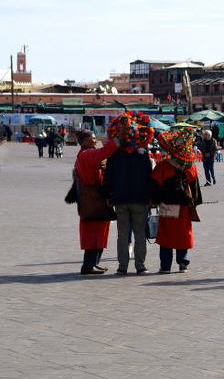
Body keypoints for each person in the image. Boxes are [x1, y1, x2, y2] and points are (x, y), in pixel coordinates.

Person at [103, 112, 154, 275]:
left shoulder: (115, 155)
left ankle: (122, 266)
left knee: (122, 233)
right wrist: (151, 197)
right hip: (140, 199)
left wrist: (108, 196)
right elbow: (149, 177)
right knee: (139, 232)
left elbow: (108, 177)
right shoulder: (143, 155)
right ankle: (140, 265)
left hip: (120, 199)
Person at [151, 127, 203, 273]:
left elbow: (155, 185)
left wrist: (154, 201)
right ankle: (183, 262)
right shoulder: (190, 167)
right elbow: (195, 189)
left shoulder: (163, 166)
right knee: (183, 234)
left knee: (166, 235)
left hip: (167, 204)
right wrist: (195, 204)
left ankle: (165, 265)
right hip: (185, 206)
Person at [74, 130, 120, 275]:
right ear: (83, 141)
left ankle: (93, 263)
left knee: (99, 232)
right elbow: (104, 152)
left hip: (95, 199)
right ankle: (88, 265)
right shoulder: (86, 154)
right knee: (93, 233)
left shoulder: (86, 154)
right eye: (92, 139)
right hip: (93, 200)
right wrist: (119, 138)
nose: (95, 141)